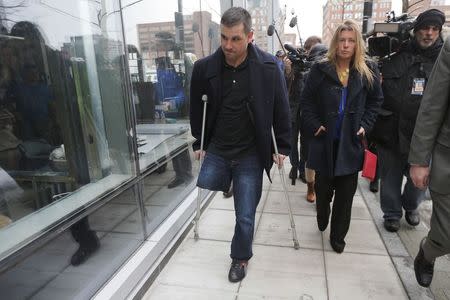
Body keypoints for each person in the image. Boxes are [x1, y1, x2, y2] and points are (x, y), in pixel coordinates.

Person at [189, 7, 290, 282]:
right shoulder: (203, 68)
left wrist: (282, 147)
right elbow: (197, 109)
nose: (227, 45)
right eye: (223, 38)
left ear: (249, 36)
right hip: (219, 147)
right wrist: (200, 140)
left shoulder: (269, 68)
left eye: (235, 39)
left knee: (245, 214)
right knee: (207, 180)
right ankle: (229, 181)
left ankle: (240, 258)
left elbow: (281, 109)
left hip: (250, 153)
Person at [301, 20, 383, 253]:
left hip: (351, 142)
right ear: (335, 42)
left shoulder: (368, 69)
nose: (346, 45)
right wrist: (315, 125)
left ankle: (338, 237)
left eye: (351, 41)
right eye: (341, 40)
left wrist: (365, 125)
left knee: (345, 197)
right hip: (325, 140)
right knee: (324, 190)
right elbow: (306, 102)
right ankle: (322, 212)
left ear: (357, 44)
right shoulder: (320, 68)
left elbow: (376, 101)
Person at [373, 9, 445, 233]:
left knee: (420, 181)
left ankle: (411, 206)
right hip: (391, 130)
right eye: (425, 28)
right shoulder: (395, 55)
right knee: (390, 177)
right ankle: (392, 213)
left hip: (425, 135)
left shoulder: (445, 61)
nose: (429, 33)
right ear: (415, 31)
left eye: (434, 29)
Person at [409, 36, 450, 288]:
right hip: (447, 159)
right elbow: (433, 104)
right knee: (446, 236)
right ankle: (429, 251)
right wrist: (419, 160)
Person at [300, 42, 328, 203]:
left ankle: (321, 188)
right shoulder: (306, 75)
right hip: (309, 122)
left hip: (328, 121)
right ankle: (310, 187)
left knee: (324, 159)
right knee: (310, 158)